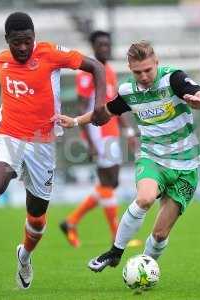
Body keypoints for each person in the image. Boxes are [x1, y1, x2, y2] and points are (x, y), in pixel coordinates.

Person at [0, 12, 106, 290]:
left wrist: (100, 106)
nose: (22, 48)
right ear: (6, 40)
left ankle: (25, 256)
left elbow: (96, 67)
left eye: (28, 41)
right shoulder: (1, 60)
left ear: (35, 38)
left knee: (36, 215)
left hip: (43, 143)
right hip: (10, 134)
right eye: (16, 42)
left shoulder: (50, 53)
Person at [56, 41, 200, 272]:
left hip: (186, 165)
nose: (144, 76)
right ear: (130, 68)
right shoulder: (128, 91)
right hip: (153, 158)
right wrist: (76, 121)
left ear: (156, 63)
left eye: (148, 70)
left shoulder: (173, 79)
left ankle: (144, 269)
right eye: (138, 72)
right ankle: (115, 252)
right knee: (145, 199)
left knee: (160, 235)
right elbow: (105, 112)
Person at [59, 30, 139, 248]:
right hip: (98, 135)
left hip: (111, 132)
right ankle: (116, 235)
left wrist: (129, 132)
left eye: (107, 44)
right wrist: (89, 141)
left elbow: (115, 107)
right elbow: (82, 108)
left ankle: (71, 221)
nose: (105, 47)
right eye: (100, 44)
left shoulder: (109, 71)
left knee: (109, 183)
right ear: (93, 47)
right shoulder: (87, 74)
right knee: (109, 182)